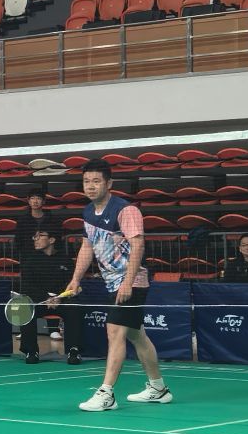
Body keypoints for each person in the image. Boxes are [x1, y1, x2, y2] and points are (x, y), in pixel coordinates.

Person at [49, 163, 171, 412]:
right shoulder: (88, 212)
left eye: (96, 181)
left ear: (109, 183)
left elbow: (138, 246)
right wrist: (75, 279)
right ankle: (158, 389)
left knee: (114, 332)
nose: (90, 186)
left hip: (132, 281)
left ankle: (107, 393)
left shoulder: (125, 210)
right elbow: (87, 247)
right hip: (111, 281)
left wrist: (127, 282)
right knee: (137, 335)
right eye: (86, 181)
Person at [15, 225, 76, 364]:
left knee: (75, 308)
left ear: (52, 240)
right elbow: (26, 286)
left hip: (61, 301)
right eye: (35, 236)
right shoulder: (30, 261)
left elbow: (71, 284)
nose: (35, 239)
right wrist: (45, 298)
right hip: (40, 301)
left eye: (40, 236)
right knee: (26, 309)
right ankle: (31, 351)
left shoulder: (65, 260)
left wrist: (59, 298)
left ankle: (74, 351)